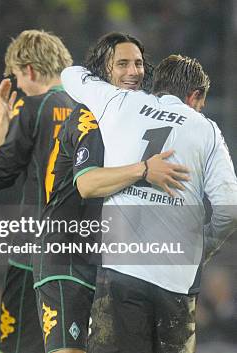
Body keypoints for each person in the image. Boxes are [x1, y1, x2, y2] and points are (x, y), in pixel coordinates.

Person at [62, 55, 237, 352]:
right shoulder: (206, 129)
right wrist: (201, 248)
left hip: (122, 272)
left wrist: (119, 78)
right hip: (177, 280)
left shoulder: (120, 101)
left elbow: (70, 74)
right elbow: (229, 208)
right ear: (194, 96)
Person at [29, 32, 188, 353]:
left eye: (139, 63)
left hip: (104, 261)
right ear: (103, 71)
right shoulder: (92, 117)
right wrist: (144, 169)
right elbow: (87, 184)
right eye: (123, 64)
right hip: (66, 254)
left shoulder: (129, 118)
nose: (134, 71)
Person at [0, 29, 77, 353]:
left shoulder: (34, 107)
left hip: (33, 249)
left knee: (19, 346)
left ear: (31, 70)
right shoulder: (91, 108)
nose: (19, 88)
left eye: (17, 77)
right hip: (81, 250)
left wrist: (2, 121)